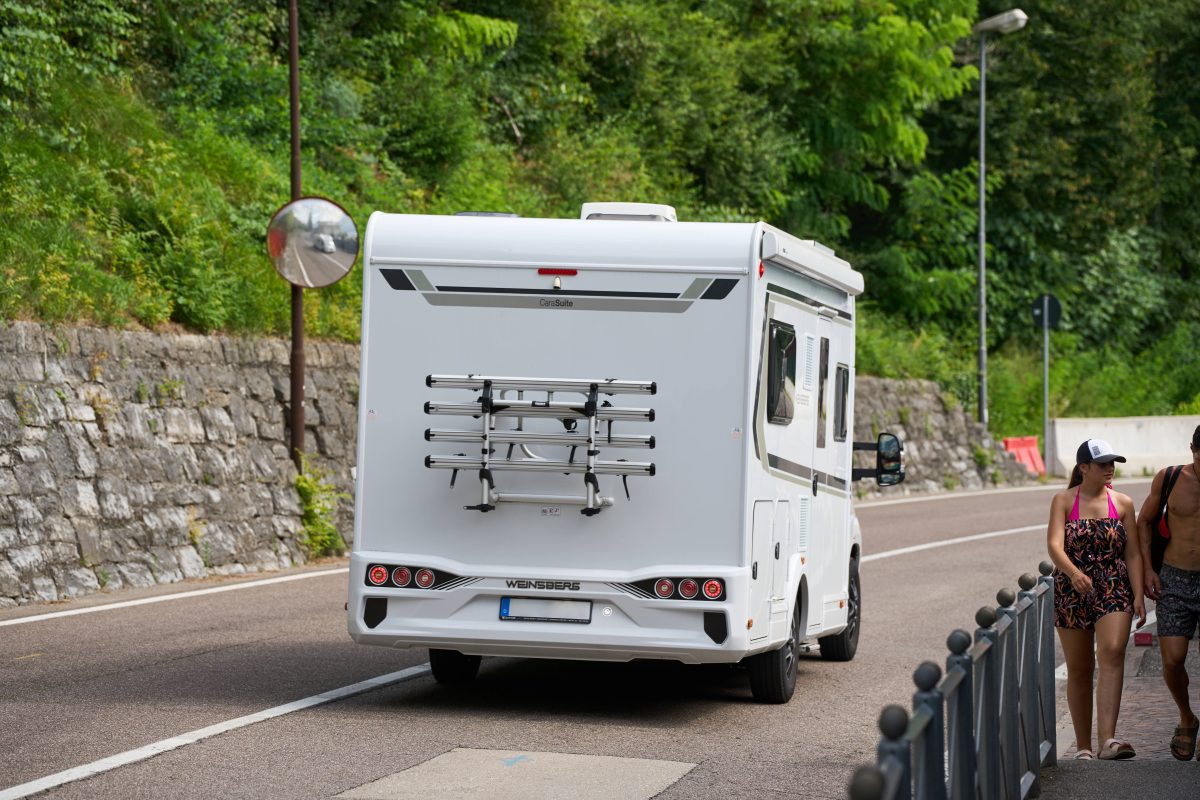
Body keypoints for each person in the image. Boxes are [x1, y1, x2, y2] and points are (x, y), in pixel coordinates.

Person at [1047, 438, 1146, 760]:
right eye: (1102, 463)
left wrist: (1139, 594)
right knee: (1079, 668)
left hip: (1114, 586)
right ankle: (1083, 747)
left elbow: (1132, 553)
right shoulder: (1063, 500)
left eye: (1112, 463)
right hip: (1072, 590)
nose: (1109, 468)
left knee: (1113, 651)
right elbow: (1054, 546)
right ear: (1083, 468)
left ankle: (1108, 740)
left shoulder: (1123, 503)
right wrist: (1073, 574)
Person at [1138, 424, 1200, 760]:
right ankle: (1187, 718)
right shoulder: (1171, 478)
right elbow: (1144, 520)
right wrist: (1148, 568)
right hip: (1174, 579)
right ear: (1192, 449)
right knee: (1173, 660)